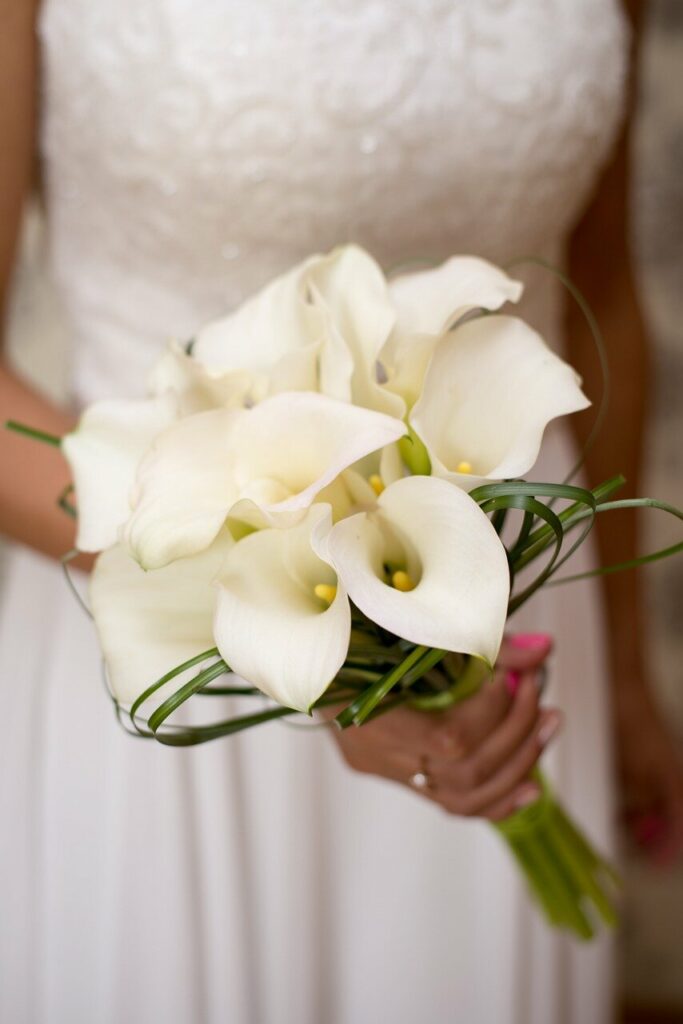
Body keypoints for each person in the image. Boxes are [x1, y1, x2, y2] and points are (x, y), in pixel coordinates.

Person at [0, 1, 681, 1022]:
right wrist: (342, 670)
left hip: (505, 639)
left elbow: (601, 295)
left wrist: (623, 663)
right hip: (184, 619)